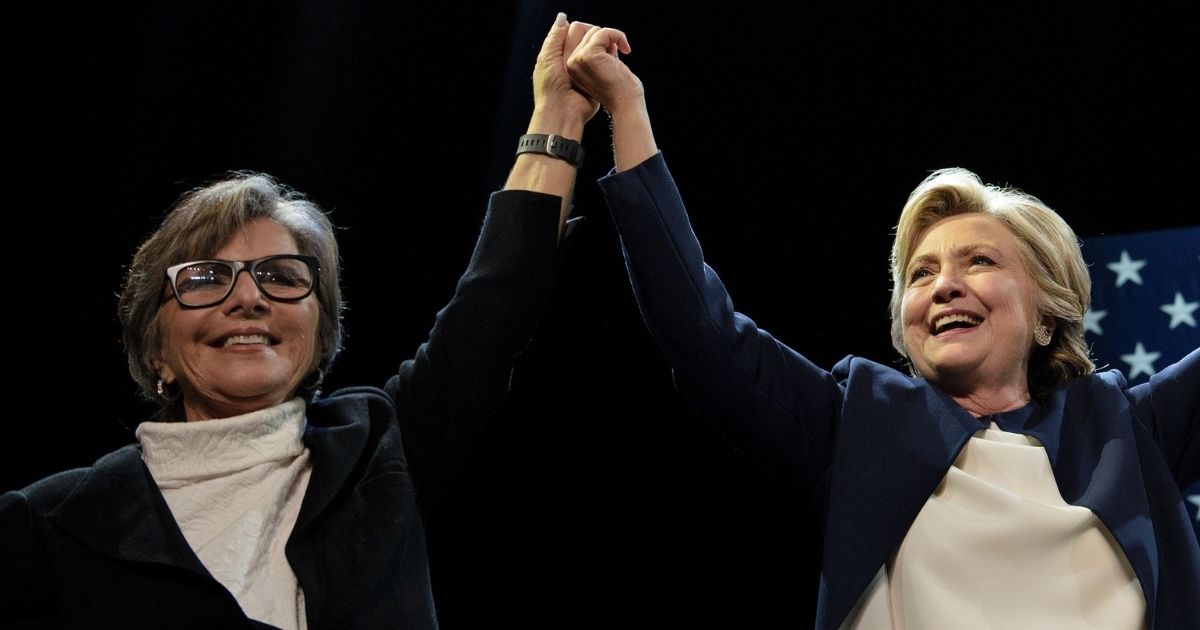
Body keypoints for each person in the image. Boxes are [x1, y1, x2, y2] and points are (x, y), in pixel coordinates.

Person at [564, 21, 1200, 629]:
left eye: (979, 261)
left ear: (1047, 313)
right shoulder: (857, 420)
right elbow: (701, 331)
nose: (944, 284)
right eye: (920, 275)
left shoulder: (1126, 427)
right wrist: (627, 108)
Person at [0, 13, 599, 629]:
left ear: (319, 335)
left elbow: (495, 305)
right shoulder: (48, 525)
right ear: (155, 347)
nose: (249, 298)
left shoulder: (378, 448)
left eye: (282, 276)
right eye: (206, 279)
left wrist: (558, 111)